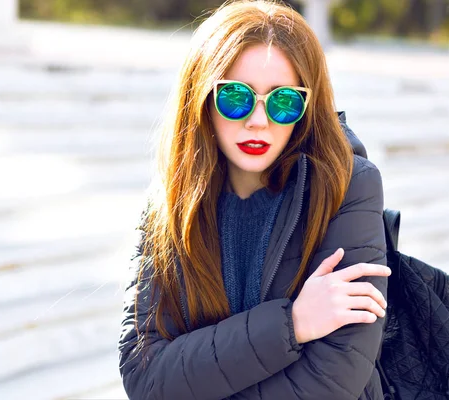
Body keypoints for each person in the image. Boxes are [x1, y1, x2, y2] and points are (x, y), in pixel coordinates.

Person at [117, 1, 391, 399]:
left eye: (283, 102)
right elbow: (145, 377)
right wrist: (292, 324)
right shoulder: (170, 200)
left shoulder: (348, 185)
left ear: (306, 107)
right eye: (235, 97)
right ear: (202, 99)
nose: (258, 121)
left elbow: (335, 379)